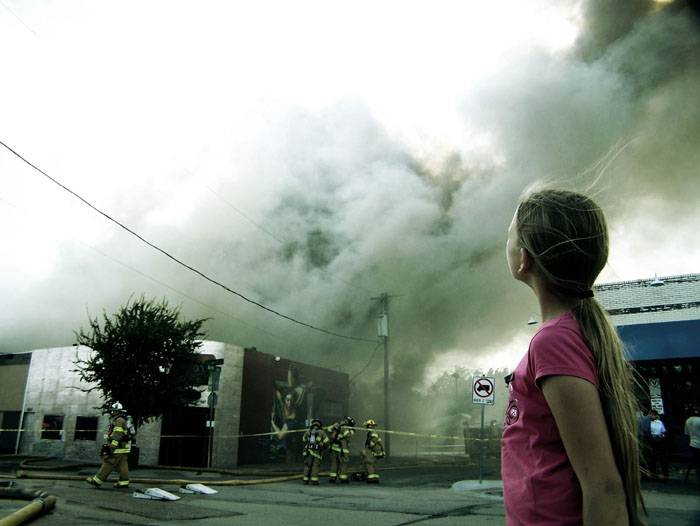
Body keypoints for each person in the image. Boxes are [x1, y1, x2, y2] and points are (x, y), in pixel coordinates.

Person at [501, 188, 645, 525]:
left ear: (524, 259)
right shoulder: (568, 333)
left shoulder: (553, 342)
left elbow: (604, 487)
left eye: (509, 235)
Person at [86, 402, 135, 489]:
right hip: (124, 447)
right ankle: (123, 482)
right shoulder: (124, 419)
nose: (112, 412)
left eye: (113, 411)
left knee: (109, 462)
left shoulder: (119, 420)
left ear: (117, 411)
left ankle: (97, 480)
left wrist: (111, 446)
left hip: (117, 447)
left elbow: (118, 434)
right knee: (122, 464)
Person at [302, 418, 329, 485]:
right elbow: (327, 441)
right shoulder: (321, 432)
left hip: (308, 451)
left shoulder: (308, 432)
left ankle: (305, 480)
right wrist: (324, 447)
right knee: (315, 466)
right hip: (317, 452)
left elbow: (303, 440)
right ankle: (314, 480)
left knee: (307, 466)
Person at [328, 416, 355, 483]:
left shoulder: (337, 425)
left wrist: (333, 426)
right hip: (342, 449)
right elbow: (347, 435)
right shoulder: (345, 428)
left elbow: (329, 430)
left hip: (334, 447)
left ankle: (332, 477)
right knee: (344, 462)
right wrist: (351, 431)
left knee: (334, 463)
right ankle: (343, 477)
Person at [360, 419, 385, 483]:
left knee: (369, 462)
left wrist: (370, 445)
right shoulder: (375, 432)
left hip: (373, 449)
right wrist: (382, 451)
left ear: (369, 426)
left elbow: (374, 440)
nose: (366, 428)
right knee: (374, 463)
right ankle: (375, 477)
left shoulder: (372, 432)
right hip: (377, 450)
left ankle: (371, 477)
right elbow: (380, 442)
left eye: (367, 426)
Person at [647, 409, 668, 481]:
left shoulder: (660, 422)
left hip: (659, 441)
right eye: (650, 414)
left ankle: (665, 475)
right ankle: (653, 474)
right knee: (652, 459)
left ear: (656, 415)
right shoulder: (647, 422)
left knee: (662, 458)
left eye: (652, 414)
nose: (650, 416)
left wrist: (661, 436)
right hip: (651, 440)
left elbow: (664, 432)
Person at [684, 407, 700, 483]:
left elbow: (686, 434)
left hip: (693, 443)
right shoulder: (699, 420)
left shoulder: (688, 421)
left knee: (697, 462)